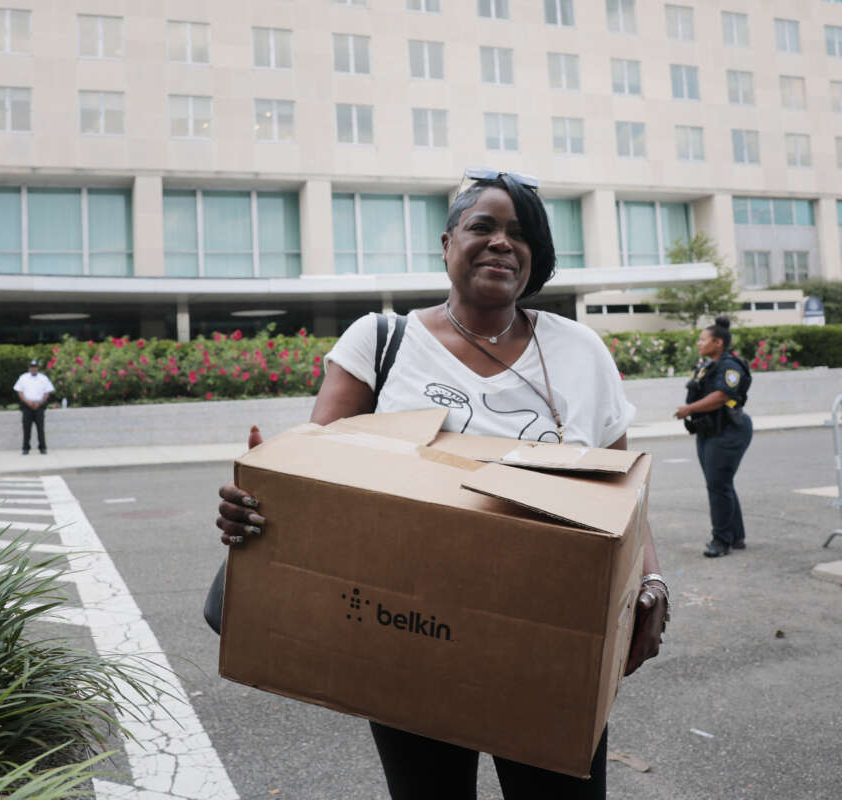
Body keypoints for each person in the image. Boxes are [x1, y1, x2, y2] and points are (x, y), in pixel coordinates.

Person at [213, 170, 668, 800]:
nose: (502, 243)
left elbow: (625, 494)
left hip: (551, 637)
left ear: (536, 257)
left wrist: (650, 579)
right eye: (483, 226)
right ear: (448, 243)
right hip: (409, 633)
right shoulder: (381, 342)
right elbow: (312, 483)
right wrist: (259, 501)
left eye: (520, 233)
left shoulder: (580, 350)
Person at [675, 316, 753, 558]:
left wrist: (689, 409)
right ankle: (736, 536)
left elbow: (721, 396)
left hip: (729, 430)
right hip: (709, 431)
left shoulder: (730, 367)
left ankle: (721, 540)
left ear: (718, 342)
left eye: (703, 339)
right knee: (721, 484)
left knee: (718, 485)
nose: (699, 343)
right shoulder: (707, 366)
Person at [14, 359, 54, 455]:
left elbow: (47, 392)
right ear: (29, 368)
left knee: (40, 428)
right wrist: (27, 402)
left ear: (37, 368)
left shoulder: (43, 378)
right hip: (27, 407)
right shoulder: (23, 378)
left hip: (39, 406)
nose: (33, 369)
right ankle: (26, 448)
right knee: (26, 428)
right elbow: (19, 391)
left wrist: (39, 403)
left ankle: (42, 448)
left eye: (35, 367)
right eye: (32, 367)